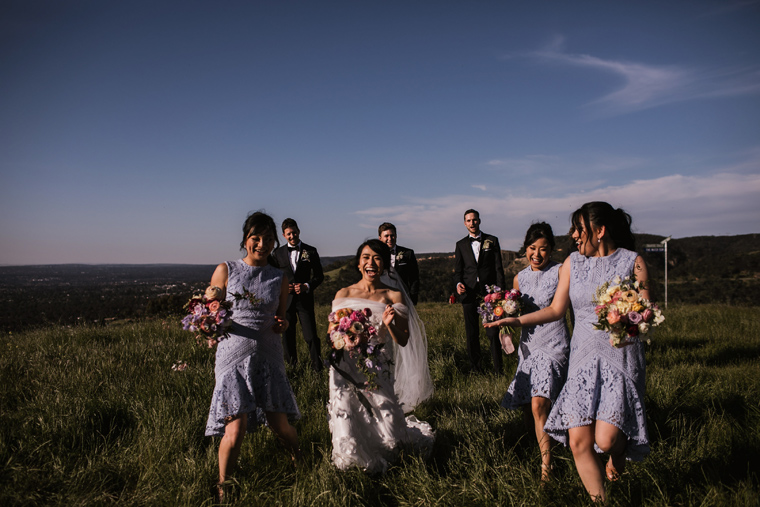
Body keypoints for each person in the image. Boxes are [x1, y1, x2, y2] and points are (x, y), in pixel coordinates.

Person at [486, 202, 650, 502]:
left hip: (619, 356)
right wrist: (516, 319)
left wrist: (632, 315)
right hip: (582, 358)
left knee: (606, 439)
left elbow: (645, 309)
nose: (573, 235)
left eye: (579, 229)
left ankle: (620, 450)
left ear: (599, 231)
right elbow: (555, 309)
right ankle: (602, 502)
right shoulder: (573, 263)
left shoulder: (634, 262)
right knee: (578, 441)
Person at [205, 212, 301, 497]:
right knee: (235, 428)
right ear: (245, 239)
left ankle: (301, 461)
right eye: (255, 238)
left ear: (275, 243)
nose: (262, 244)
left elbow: (281, 318)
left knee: (279, 424)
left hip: (268, 355)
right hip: (232, 355)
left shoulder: (280, 278)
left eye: (268, 239)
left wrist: (282, 324)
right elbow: (212, 303)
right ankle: (224, 486)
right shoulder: (226, 269)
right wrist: (211, 303)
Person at [326, 239, 434, 473]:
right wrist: (342, 340)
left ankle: (388, 454)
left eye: (377, 258)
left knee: (389, 425)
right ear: (358, 263)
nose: (370, 263)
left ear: (384, 265)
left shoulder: (393, 296)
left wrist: (389, 324)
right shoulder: (343, 293)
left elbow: (403, 339)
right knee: (345, 410)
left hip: (377, 365)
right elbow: (331, 334)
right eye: (366, 257)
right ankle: (350, 459)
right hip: (345, 365)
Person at [497, 222, 570, 481]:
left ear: (552, 250)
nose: (537, 255)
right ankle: (540, 449)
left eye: (543, 249)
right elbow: (516, 311)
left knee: (540, 404)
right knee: (530, 408)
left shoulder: (561, 272)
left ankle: (547, 470)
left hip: (554, 345)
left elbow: (566, 310)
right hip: (528, 345)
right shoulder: (519, 278)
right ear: (525, 248)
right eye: (532, 248)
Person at [454, 209, 506, 374]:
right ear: (465, 223)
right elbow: (458, 272)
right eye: (468, 221)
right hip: (468, 294)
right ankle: (476, 369)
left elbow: (499, 269)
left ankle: (499, 370)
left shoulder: (492, 240)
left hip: (488, 294)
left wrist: (500, 292)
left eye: (474, 220)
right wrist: (458, 284)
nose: (472, 223)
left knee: (493, 332)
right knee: (472, 334)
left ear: (479, 221)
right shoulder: (460, 245)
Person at [273, 218, 324, 372]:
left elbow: (319, 276)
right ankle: (291, 369)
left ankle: (318, 369)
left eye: (294, 232)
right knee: (288, 337)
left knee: (311, 336)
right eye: (289, 234)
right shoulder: (277, 253)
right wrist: (282, 287)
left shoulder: (311, 251)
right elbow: (273, 277)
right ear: (283, 235)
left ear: (299, 231)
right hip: (285, 301)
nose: (292, 236)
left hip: (305, 300)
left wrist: (306, 286)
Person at [378, 222, 420, 304]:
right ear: (380, 238)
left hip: (403, 298)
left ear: (396, 236)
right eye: (386, 236)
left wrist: (412, 298)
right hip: (381, 298)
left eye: (392, 235)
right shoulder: (375, 255)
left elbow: (414, 278)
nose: (390, 238)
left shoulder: (408, 253)